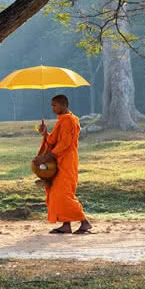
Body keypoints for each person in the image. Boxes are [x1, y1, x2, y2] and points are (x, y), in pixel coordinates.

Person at [34, 95, 92, 234]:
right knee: (57, 193)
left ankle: (85, 222)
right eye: (52, 105)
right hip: (58, 160)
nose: (53, 108)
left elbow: (65, 143)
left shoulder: (70, 120)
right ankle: (66, 225)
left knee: (64, 194)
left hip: (67, 161)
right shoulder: (62, 120)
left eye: (55, 105)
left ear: (64, 105)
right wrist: (44, 133)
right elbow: (53, 140)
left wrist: (47, 156)